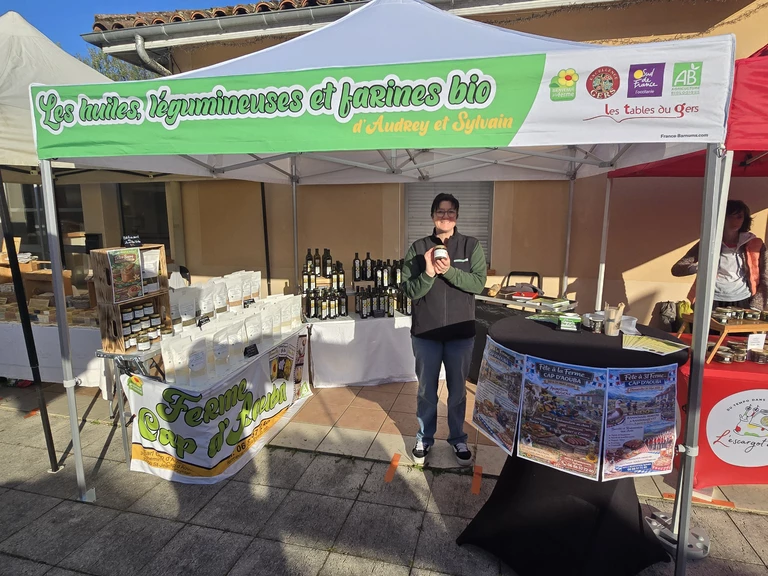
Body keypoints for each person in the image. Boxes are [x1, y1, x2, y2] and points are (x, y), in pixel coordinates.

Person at [400, 193, 487, 466]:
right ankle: (424, 438)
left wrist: (448, 271)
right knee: (426, 390)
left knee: (458, 391)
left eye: (450, 212)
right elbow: (409, 290)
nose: (445, 216)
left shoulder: (471, 246)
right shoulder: (418, 248)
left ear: (456, 216)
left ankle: (458, 438)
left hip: (460, 334)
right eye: (440, 211)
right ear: (432, 215)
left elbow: (478, 284)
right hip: (426, 333)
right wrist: (428, 272)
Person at [672, 200, 767, 311]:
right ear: (721, 218)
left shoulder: (755, 244)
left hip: (743, 299)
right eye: (730, 216)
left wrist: (757, 305)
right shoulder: (708, 243)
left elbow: (766, 276)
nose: (735, 221)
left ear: (744, 219)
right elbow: (677, 269)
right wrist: (698, 268)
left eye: (739, 217)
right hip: (710, 298)